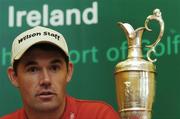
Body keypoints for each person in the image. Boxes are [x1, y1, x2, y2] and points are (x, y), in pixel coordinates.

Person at [0, 26, 120, 119]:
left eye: (54, 68)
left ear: (69, 72)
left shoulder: (98, 116)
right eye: (33, 69)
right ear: (14, 76)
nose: (45, 80)